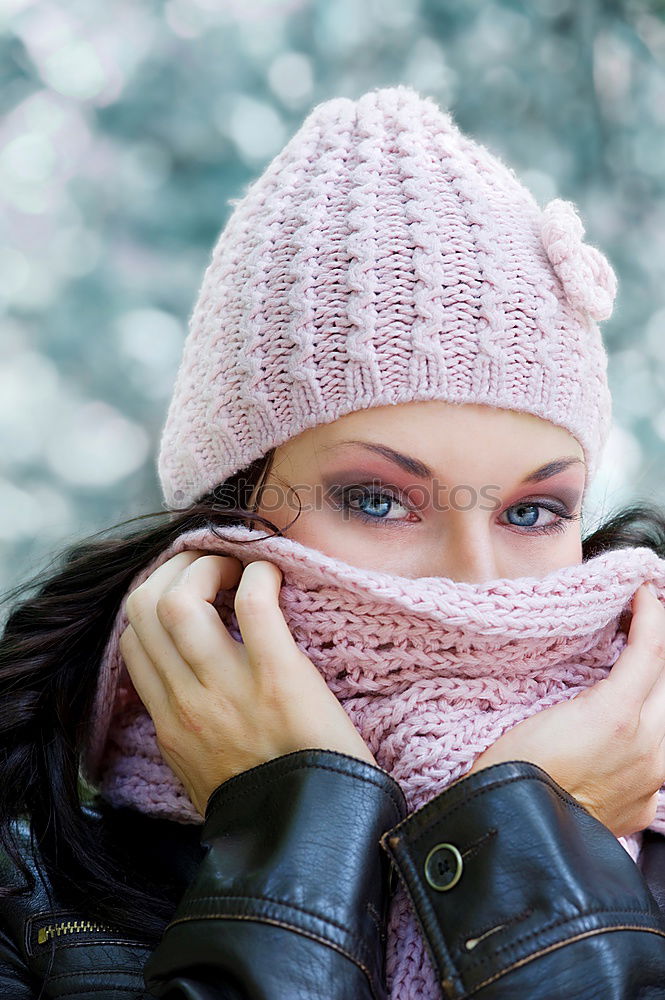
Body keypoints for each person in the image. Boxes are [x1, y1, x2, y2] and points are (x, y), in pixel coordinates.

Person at [2, 84, 665, 999]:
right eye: (377, 500)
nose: (472, 585)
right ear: (220, 533)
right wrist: (298, 833)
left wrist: (536, 848)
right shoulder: (24, 881)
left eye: (530, 512)